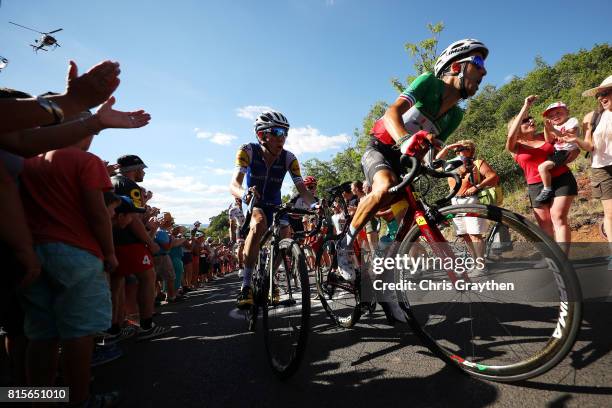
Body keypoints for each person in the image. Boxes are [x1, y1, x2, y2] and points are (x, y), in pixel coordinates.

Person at [343, 39, 489, 300]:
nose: (484, 71)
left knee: (412, 222)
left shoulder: (455, 115)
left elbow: (428, 150)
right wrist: (404, 140)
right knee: (384, 185)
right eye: (478, 63)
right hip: (381, 148)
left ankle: (385, 287)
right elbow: (391, 114)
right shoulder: (427, 82)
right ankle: (345, 246)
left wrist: (437, 166)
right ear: (456, 66)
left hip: (405, 161)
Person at [229, 111, 315, 308]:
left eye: (285, 133)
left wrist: (316, 204)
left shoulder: (289, 158)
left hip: (275, 204)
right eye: (277, 132)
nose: (282, 137)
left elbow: (303, 190)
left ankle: (271, 277)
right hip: (254, 200)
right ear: (261, 135)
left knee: (285, 233)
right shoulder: (247, 151)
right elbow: (233, 184)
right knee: (258, 223)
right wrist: (244, 195)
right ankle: (246, 285)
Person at [506, 95, 577, 252]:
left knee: (558, 217)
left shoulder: (545, 136)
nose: (531, 121)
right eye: (525, 121)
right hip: (536, 186)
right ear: (517, 127)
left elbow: (566, 146)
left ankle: (563, 260)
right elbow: (511, 135)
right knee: (545, 226)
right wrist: (525, 107)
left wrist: (575, 150)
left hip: (561, 178)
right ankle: (554, 260)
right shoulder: (515, 146)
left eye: (530, 119)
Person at [111, 154, 171, 340]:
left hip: (111, 240)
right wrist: (149, 241)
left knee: (116, 284)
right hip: (130, 242)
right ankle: (146, 325)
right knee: (147, 278)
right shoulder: (130, 186)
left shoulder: (109, 181)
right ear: (135, 169)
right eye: (142, 169)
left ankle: (115, 328)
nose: (143, 172)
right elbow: (134, 219)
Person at [436, 139, 499, 272]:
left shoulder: (477, 162)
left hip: (471, 200)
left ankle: (481, 265)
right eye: (458, 149)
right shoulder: (452, 164)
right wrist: (448, 147)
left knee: (474, 233)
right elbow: (436, 161)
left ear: (471, 150)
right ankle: (476, 262)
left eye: (463, 148)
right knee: (464, 234)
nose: (459, 151)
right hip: (455, 202)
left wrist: (477, 186)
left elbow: (493, 176)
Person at [571, 75, 612, 267]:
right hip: (603, 168)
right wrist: (574, 140)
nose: (601, 97)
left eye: (605, 93)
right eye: (599, 94)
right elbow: (589, 146)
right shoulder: (593, 116)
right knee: (610, 214)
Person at [535, 102, 580, 202]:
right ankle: (549, 187)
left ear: (567, 112)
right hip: (557, 151)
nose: (555, 116)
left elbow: (568, 136)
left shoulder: (571, 121)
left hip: (566, 151)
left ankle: (547, 189)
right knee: (543, 166)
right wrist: (547, 128)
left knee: (542, 167)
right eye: (551, 116)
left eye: (558, 113)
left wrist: (552, 129)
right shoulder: (554, 127)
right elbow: (548, 141)